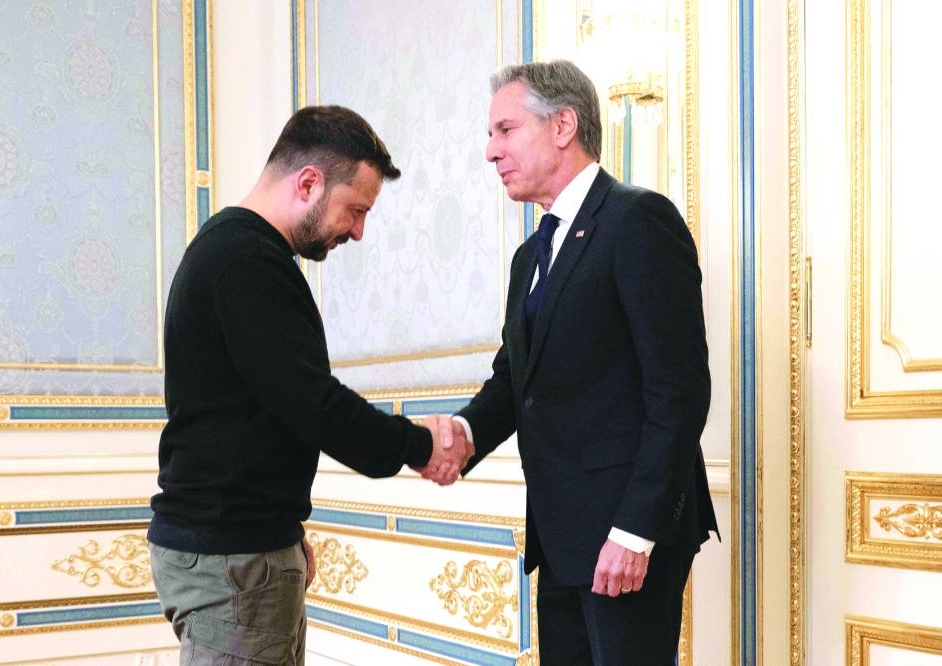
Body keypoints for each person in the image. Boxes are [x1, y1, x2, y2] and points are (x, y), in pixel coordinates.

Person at [148, 105, 472, 666]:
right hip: (233, 560)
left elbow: (253, 413)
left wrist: (281, 531)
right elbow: (312, 403)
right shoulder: (245, 261)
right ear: (308, 183)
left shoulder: (235, 251)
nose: (359, 231)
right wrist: (420, 445)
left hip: (242, 548)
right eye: (356, 210)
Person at [424, 61, 718, 664]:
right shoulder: (529, 256)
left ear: (563, 126)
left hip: (627, 537)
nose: (490, 151)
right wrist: (464, 433)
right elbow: (516, 378)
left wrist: (636, 531)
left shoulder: (638, 220)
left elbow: (679, 392)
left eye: (505, 130)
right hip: (559, 538)